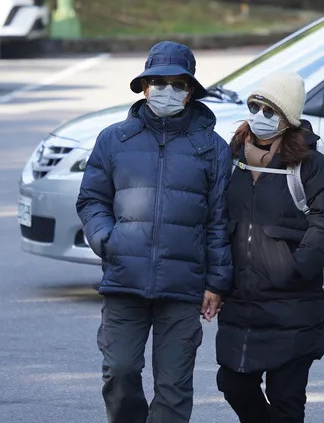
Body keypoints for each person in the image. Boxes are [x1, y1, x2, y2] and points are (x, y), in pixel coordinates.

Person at [76, 41, 233, 423]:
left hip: (183, 286)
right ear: (144, 87)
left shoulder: (212, 149)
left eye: (178, 84)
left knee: (174, 388)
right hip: (124, 280)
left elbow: (219, 220)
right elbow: (91, 200)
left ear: (190, 91)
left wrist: (217, 282)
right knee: (120, 372)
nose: (168, 91)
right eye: (158, 82)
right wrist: (107, 240)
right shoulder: (114, 139)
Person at [215, 72, 324, 423]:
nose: (258, 115)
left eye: (269, 110)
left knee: (286, 397)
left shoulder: (310, 163)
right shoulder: (230, 157)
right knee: (233, 383)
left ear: (288, 118)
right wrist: (216, 278)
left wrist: (296, 267)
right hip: (241, 299)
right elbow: (214, 217)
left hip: (293, 303)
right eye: (254, 106)